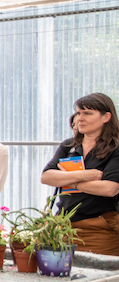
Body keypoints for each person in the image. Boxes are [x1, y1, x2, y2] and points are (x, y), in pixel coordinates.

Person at [41, 93, 119, 255]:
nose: (79, 118)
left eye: (87, 113)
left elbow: (109, 189)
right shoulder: (68, 145)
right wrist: (86, 175)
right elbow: (47, 177)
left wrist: (67, 179)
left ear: (106, 117)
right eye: (78, 113)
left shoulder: (115, 148)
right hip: (62, 227)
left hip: (99, 229)